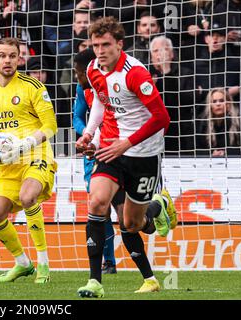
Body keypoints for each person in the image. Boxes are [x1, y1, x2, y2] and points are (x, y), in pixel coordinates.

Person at [75, 17, 177, 298]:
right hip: (110, 147)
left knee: (132, 224)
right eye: (95, 45)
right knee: (96, 201)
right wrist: (91, 135)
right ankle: (95, 282)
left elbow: (162, 118)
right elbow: (99, 100)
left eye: (105, 44)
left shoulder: (136, 74)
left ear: (119, 44)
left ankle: (159, 206)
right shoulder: (94, 68)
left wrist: (127, 143)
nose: (99, 50)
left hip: (143, 153)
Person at [0, 37, 58, 284]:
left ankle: (43, 264)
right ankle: (23, 263)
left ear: (19, 58)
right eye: (3, 55)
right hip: (6, 162)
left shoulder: (33, 87)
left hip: (36, 154)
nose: (8, 60)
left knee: (27, 196)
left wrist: (26, 143)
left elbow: (51, 126)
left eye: (13, 56)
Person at [72, 48, 121, 274]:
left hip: (118, 149)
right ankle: (108, 261)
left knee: (127, 215)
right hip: (93, 153)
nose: (76, 76)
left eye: (78, 72)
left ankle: (156, 207)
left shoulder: (113, 85)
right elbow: (77, 119)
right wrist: (87, 136)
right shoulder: (83, 91)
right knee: (99, 207)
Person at [196, 88, 241, 156]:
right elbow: (195, 149)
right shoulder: (202, 123)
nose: (218, 104)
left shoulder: (240, 122)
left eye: (221, 100)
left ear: (228, 104)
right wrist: (211, 153)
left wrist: (226, 153)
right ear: (210, 105)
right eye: (214, 101)